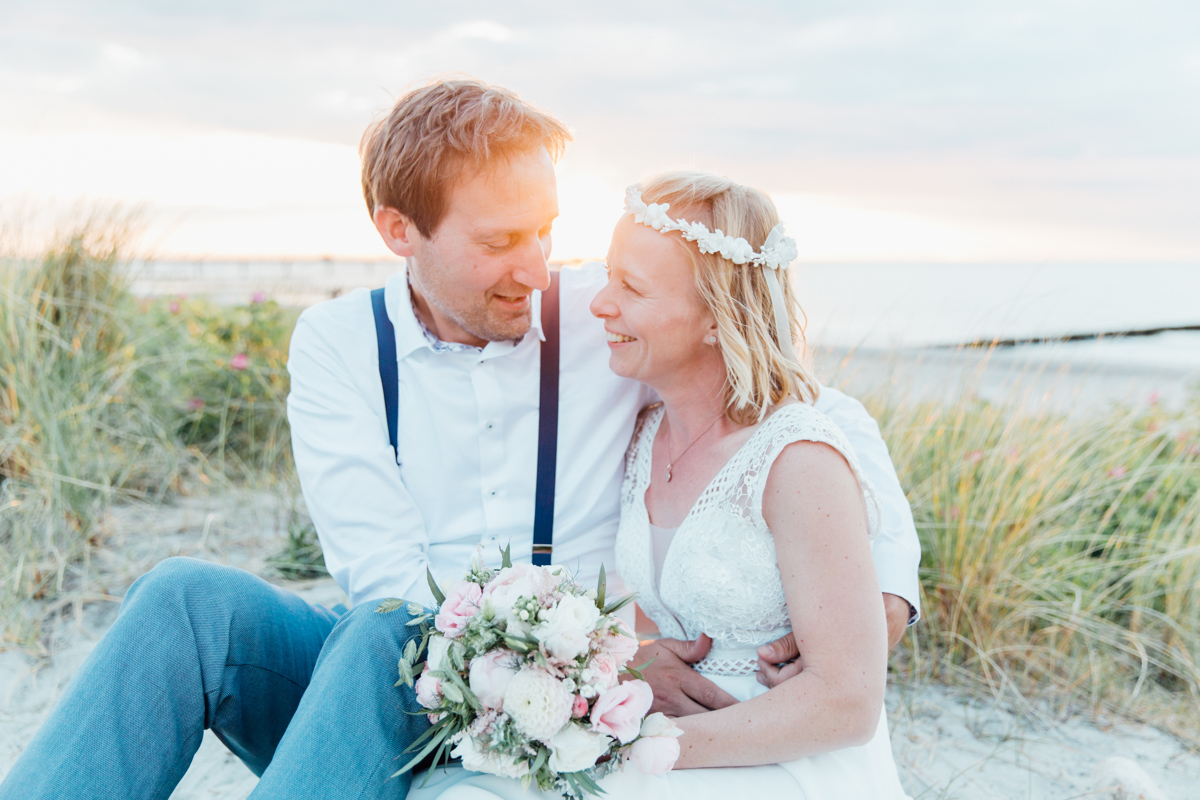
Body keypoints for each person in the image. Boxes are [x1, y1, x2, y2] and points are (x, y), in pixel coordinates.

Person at [0, 80, 918, 800]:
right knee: (193, 602)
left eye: (547, 232)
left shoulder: (608, 315)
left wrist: (884, 592)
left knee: (370, 635)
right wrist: (595, 653)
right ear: (400, 231)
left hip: (553, 706)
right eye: (500, 240)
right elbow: (387, 582)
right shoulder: (338, 345)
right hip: (405, 677)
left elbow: (808, 408)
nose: (535, 267)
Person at [403, 174, 910, 798]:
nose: (599, 304)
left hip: (779, 757)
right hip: (667, 731)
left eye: (632, 288)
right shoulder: (645, 435)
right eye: (609, 275)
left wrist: (644, 744)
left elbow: (847, 704)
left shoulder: (798, 458)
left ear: (716, 319)